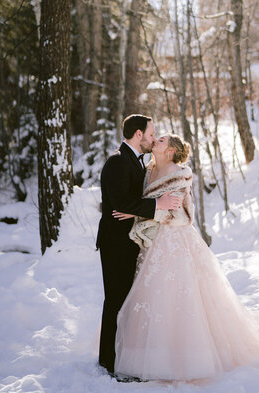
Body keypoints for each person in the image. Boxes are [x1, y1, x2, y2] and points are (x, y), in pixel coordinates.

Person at [113, 133, 259, 382]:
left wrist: (149, 214)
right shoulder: (148, 171)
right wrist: (136, 213)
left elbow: (183, 216)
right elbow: (146, 203)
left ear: (170, 151)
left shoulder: (180, 175)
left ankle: (186, 358)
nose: (155, 140)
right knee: (150, 298)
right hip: (152, 245)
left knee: (178, 298)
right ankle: (147, 357)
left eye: (161, 140)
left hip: (176, 244)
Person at [96, 115, 181, 375]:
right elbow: (121, 203)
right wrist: (159, 205)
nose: (154, 138)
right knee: (116, 301)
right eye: (151, 133)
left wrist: (135, 211)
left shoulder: (134, 160)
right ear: (137, 134)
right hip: (116, 243)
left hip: (128, 241)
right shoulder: (118, 162)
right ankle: (109, 362)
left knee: (125, 301)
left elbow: (129, 202)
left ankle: (119, 356)